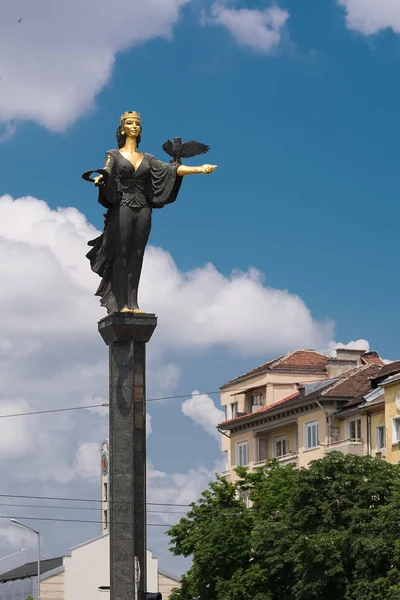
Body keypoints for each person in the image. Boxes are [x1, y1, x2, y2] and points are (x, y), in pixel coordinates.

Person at [85, 111, 217, 314]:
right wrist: (100, 178)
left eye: (137, 123)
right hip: (122, 206)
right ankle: (122, 305)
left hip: (143, 207)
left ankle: (133, 303)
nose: (134, 126)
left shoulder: (148, 158)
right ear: (122, 128)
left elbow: (171, 170)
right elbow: (107, 170)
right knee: (123, 254)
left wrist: (199, 169)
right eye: (130, 123)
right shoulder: (113, 154)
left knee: (137, 255)